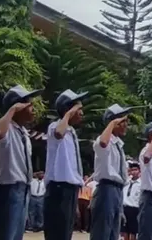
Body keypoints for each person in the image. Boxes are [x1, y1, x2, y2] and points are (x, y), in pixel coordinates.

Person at [0, 85, 42, 240]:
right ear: (17, 106)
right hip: (7, 189)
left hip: (22, 189)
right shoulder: (6, 128)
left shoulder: (23, 133)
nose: (33, 109)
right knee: (4, 235)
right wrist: (11, 110)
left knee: (15, 235)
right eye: (28, 104)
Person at [44, 88, 89, 240]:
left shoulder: (71, 132)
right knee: (57, 232)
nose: (81, 113)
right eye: (78, 109)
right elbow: (58, 133)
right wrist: (69, 113)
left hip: (70, 190)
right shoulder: (55, 127)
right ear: (67, 109)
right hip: (59, 189)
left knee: (65, 233)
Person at [90, 103, 131, 240]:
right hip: (106, 190)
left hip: (117, 191)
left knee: (113, 233)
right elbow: (102, 142)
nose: (126, 125)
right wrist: (112, 123)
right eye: (122, 121)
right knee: (102, 233)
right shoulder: (104, 141)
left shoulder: (119, 145)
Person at [123, 162, 142, 240]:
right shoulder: (127, 181)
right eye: (132, 170)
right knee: (124, 230)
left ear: (139, 171)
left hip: (135, 208)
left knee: (133, 231)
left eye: (136, 170)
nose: (134, 172)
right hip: (125, 207)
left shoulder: (141, 183)